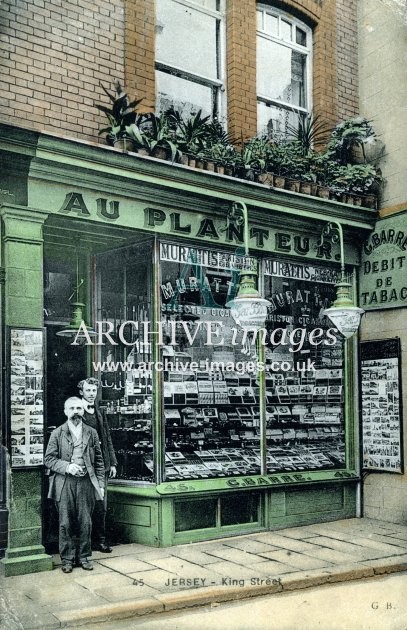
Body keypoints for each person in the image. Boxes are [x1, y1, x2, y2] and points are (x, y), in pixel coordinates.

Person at [45, 397, 105, 573]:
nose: (76, 411)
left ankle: (85, 557)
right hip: (64, 483)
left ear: (83, 411)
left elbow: (99, 461)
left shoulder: (91, 432)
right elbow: (48, 459)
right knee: (65, 522)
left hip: (86, 482)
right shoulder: (57, 433)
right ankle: (68, 559)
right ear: (65, 411)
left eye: (79, 408)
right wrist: (67, 467)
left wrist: (100, 484)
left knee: (86, 521)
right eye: (71, 408)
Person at [78, 377, 117, 553]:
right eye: (88, 390)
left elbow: (107, 437)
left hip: (101, 465)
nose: (91, 394)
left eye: (94, 391)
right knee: (84, 506)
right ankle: (84, 543)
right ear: (81, 392)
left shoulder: (99, 411)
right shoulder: (76, 411)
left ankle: (100, 541)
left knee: (101, 504)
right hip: (84, 465)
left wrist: (113, 462)